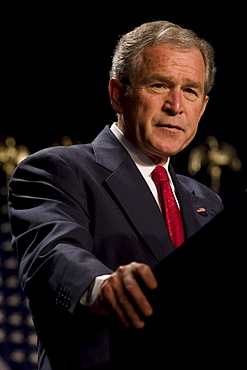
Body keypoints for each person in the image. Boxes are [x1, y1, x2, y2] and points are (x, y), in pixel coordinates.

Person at [8, 21, 223, 369]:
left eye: (191, 91)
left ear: (203, 106)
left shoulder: (207, 202)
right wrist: (102, 284)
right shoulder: (56, 170)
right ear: (117, 93)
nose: (176, 105)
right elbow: (53, 254)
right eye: (160, 85)